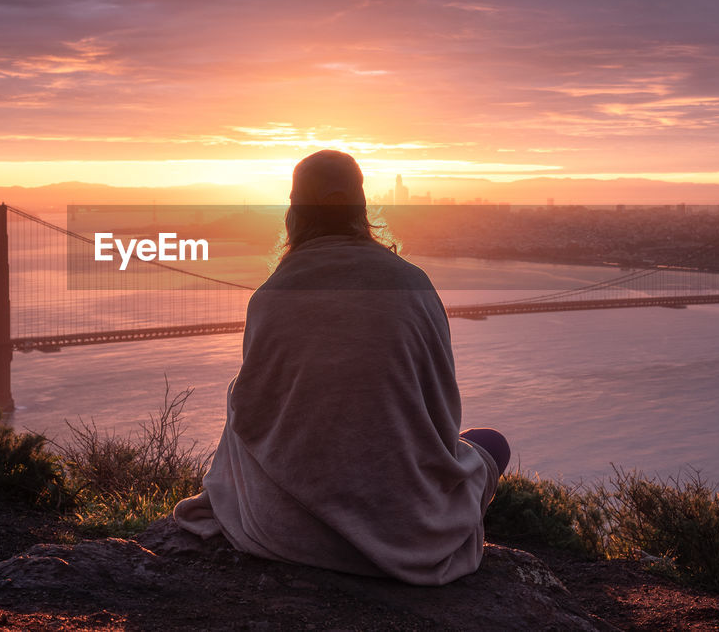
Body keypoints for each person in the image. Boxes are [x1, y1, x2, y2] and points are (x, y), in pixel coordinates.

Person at [174, 149, 509, 586]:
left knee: (238, 399)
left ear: (294, 209)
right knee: (490, 444)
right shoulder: (415, 284)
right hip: (406, 527)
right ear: (362, 206)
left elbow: (251, 415)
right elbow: (442, 414)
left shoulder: (272, 294)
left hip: (288, 531)